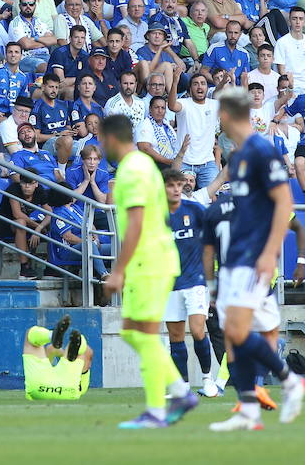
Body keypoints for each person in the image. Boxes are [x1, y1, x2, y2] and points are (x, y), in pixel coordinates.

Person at [205, 88, 305, 432]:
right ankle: (249, 408)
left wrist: (269, 252)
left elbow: (284, 204)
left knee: (235, 329)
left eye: (219, 113)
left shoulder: (262, 150)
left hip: (254, 256)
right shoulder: (240, 155)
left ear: (228, 116)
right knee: (237, 334)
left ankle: (290, 381)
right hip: (236, 257)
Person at [102, 113, 198, 429]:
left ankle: (168, 402)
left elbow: (137, 222)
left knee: (139, 333)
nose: (102, 146)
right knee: (134, 332)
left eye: (103, 140)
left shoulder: (132, 170)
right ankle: (173, 397)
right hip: (154, 259)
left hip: (148, 261)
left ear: (112, 139)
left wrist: (119, 270)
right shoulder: (144, 166)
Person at [163, 169, 217, 397]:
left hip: (195, 281)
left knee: (197, 330)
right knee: (175, 337)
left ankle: (207, 380)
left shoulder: (194, 209)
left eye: (179, 184)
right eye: (171, 185)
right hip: (168, 283)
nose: (176, 189)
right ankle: (183, 386)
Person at [22, 313, 93, 401]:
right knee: (84, 348)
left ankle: (50, 335)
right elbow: (88, 354)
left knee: (31, 337)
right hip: (68, 389)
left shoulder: (50, 350)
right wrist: (65, 354)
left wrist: (60, 352)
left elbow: (51, 350)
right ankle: (78, 348)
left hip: (39, 388)